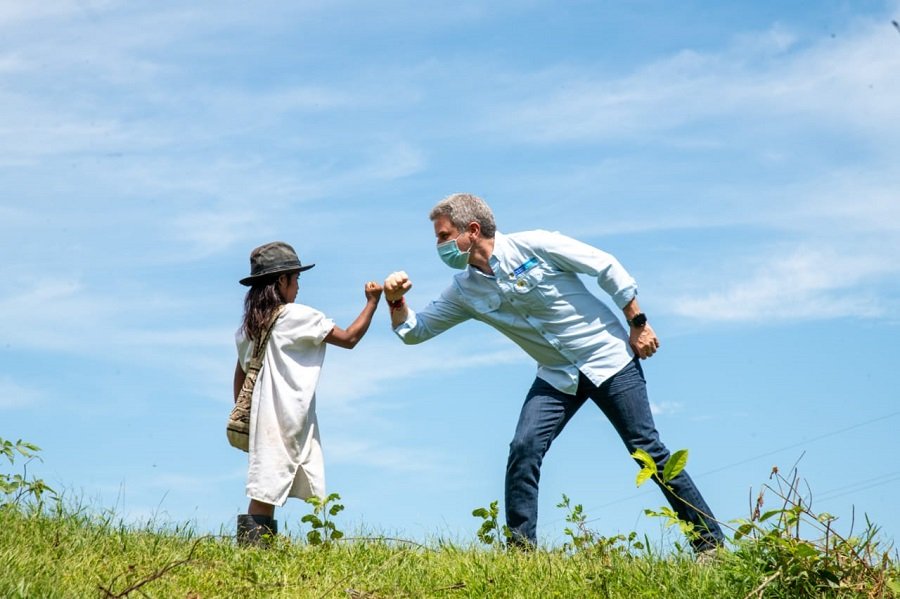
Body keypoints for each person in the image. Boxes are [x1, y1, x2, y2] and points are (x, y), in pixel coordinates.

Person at [383, 193, 724, 553]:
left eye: (443, 236)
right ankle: (520, 552)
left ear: (472, 230)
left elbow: (605, 266)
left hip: (608, 358)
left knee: (647, 449)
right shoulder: (464, 291)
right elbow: (414, 332)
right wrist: (395, 301)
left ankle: (710, 545)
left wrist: (637, 322)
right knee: (524, 448)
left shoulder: (537, 245)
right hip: (557, 375)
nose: (439, 246)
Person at [234, 241, 382, 546]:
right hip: (285, 415)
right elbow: (350, 338)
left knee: (266, 484)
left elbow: (241, 374)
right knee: (265, 489)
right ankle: (253, 554)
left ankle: (255, 553)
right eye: (295, 278)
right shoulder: (295, 316)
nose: (298, 286)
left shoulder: (248, 327)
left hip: (262, 416)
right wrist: (372, 302)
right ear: (281, 282)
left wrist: (245, 416)